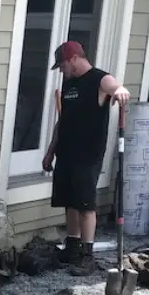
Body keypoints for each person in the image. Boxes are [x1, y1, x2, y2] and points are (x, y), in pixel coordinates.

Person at [41, 41, 131, 269]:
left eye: (62, 64)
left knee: (84, 203)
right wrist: (51, 152)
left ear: (72, 59)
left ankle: (87, 254)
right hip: (66, 153)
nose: (61, 69)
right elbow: (63, 122)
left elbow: (115, 86)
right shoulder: (70, 84)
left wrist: (120, 91)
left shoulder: (98, 79)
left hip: (87, 154)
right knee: (69, 202)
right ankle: (72, 246)